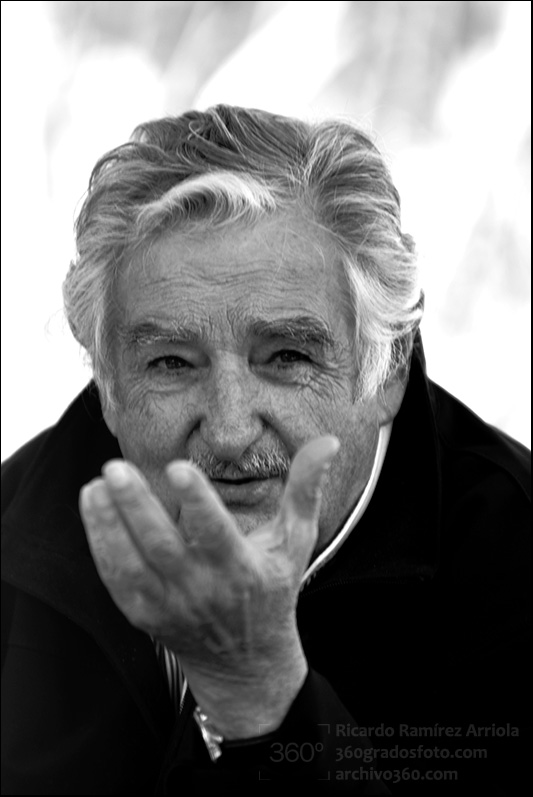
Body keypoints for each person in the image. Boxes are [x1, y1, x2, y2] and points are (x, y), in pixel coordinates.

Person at [1, 104, 530, 796]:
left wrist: (261, 696)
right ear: (107, 381)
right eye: (171, 363)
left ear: (388, 370)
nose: (228, 432)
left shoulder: (515, 561)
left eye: (286, 357)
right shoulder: (14, 530)